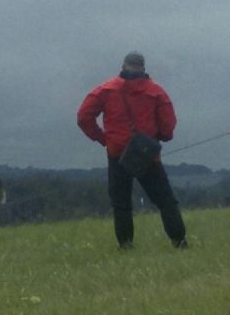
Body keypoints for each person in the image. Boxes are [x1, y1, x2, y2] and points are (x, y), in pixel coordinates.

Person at [77, 51, 187, 249]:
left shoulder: (105, 90)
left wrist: (103, 139)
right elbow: (168, 126)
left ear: (123, 66)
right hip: (146, 154)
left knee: (121, 204)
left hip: (117, 153)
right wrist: (158, 138)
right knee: (165, 200)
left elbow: (84, 117)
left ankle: (126, 246)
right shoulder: (156, 91)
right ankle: (179, 241)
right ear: (143, 68)